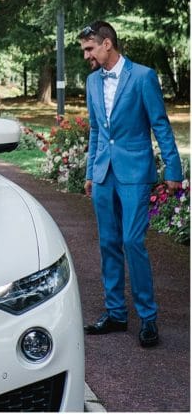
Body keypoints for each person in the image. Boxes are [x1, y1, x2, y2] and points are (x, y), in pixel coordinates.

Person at [79, 20, 183, 348]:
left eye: (89, 48)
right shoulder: (92, 81)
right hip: (104, 174)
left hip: (136, 173)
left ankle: (148, 317)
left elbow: (160, 125)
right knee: (108, 243)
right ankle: (115, 313)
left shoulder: (142, 77)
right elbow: (96, 130)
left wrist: (174, 170)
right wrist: (90, 172)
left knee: (132, 241)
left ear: (107, 43)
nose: (86, 55)